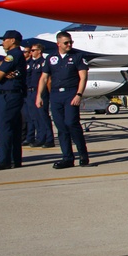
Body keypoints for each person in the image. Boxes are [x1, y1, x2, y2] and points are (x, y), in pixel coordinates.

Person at [37, 31, 92, 168]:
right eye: (66, 42)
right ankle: (67, 157)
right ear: (58, 44)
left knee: (71, 123)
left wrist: (79, 94)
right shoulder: (51, 58)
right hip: (55, 95)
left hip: (71, 93)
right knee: (61, 126)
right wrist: (39, 95)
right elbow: (44, 78)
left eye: (70, 42)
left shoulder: (77, 57)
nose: (69, 45)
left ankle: (83, 155)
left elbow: (83, 77)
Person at [0, 30, 27, 171]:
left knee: (3, 127)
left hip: (8, 95)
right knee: (13, 128)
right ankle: (15, 159)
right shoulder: (17, 55)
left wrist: (0, 74)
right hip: (13, 95)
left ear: (13, 40)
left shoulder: (12, 56)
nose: (3, 42)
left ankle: (3, 160)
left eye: (5, 39)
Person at [25, 43, 55, 148]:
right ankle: (40, 138)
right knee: (34, 117)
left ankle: (49, 139)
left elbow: (48, 80)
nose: (31, 52)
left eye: (33, 50)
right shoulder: (29, 63)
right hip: (30, 92)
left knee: (43, 115)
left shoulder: (44, 62)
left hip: (41, 92)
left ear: (39, 51)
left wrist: (49, 93)